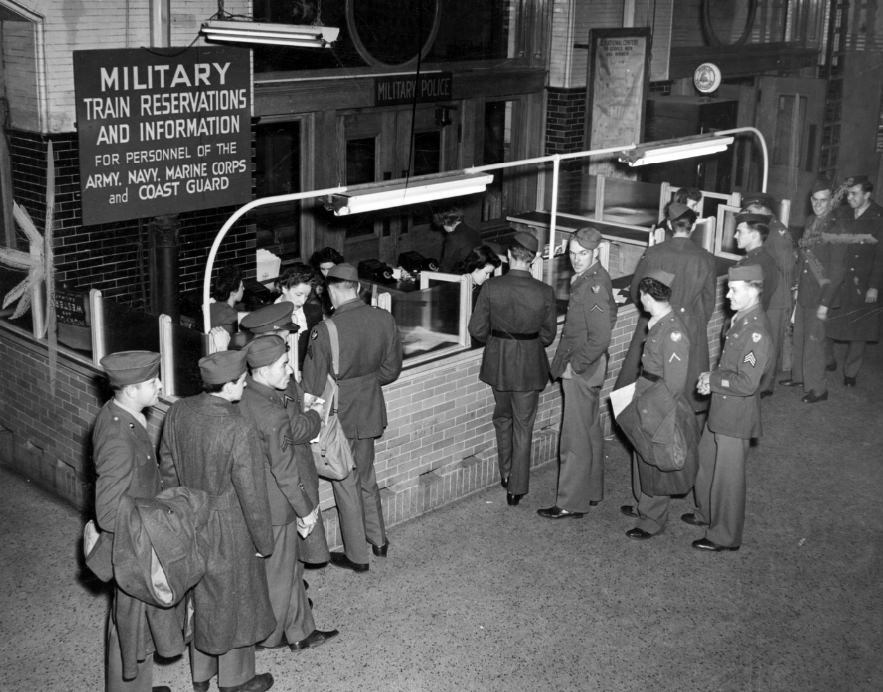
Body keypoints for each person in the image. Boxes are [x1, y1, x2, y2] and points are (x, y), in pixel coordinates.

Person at [160, 350, 275, 692]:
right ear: (229, 386)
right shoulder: (238, 426)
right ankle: (236, 679)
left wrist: (178, 509)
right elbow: (252, 494)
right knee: (237, 598)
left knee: (203, 595)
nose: (244, 385)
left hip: (189, 515)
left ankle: (200, 675)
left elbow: (167, 465)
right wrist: (262, 542)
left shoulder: (179, 410)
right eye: (242, 381)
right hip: (230, 524)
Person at [238, 335, 339, 653]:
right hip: (277, 504)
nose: (289, 369)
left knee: (290, 567)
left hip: (260, 498)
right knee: (280, 573)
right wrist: (305, 510)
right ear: (264, 369)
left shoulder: (246, 397)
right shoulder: (271, 412)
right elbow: (284, 469)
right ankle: (269, 637)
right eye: (283, 364)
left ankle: (300, 630)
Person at [302, 263, 403, 571]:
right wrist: (366, 384)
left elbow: (312, 388)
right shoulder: (384, 318)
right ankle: (379, 540)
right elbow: (391, 370)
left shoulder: (324, 331)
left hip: (338, 415)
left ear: (331, 292)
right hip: (369, 408)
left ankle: (358, 557)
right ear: (357, 288)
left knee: (344, 481)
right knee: (366, 477)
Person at [93, 350, 183, 692]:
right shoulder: (118, 437)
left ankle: (137, 686)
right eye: (152, 382)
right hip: (131, 546)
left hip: (136, 540)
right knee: (128, 624)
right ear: (130, 388)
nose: (159, 385)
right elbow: (107, 511)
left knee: (134, 623)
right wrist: (150, 524)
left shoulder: (124, 414)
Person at [684, 264, 772, 552]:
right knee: (706, 462)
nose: (728, 296)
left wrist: (714, 379)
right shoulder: (741, 319)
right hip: (721, 408)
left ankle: (725, 535)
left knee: (728, 478)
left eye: (734, 290)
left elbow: (747, 382)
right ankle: (707, 514)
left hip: (736, 415)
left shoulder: (756, 331)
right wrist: (714, 383)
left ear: (753, 288)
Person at [467, 231, 557, 506]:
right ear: (534, 259)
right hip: (530, 365)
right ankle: (516, 487)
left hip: (499, 362)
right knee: (524, 425)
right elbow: (548, 335)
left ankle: (505, 472)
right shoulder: (545, 292)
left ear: (508, 256)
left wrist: (497, 342)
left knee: (502, 418)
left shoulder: (492, 288)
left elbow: (476, 329)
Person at [240, 303, 332, 568]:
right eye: (284, 332)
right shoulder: (277, 377)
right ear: (273, 333)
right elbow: (293, 430)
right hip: (289, 467)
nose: (288, 337)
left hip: (266, 473)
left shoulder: (249, 369)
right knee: (290, 543)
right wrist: (316, 414)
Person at [538, 227, 617, 519]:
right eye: (572, 253)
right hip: (591, 366)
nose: (576, 259)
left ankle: (571, 502)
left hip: (583, 368)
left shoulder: (592, 286)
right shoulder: (595, 279)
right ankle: (592, 491)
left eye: (582, 253)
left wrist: (577, 365)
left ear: (595, 252)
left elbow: (600, 336)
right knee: (590, 430)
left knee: (574, 438)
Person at [619, 271, 699, 539]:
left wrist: (650, 411)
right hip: (646, 392)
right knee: (641, 453)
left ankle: (653, 519)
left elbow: (674, 384)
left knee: (655, 458)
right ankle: (644, 504)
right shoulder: (659, 321)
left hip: (658, 403)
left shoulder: (673, 332)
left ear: (644, 295)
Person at [616, 202, 717, 412]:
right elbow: (709, 300)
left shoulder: (654, 253)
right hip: (689, 321)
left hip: (654, 319)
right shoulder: (705, 257)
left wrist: (649, 310)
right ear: (694, 225)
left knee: (647, 378)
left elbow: (637, 289)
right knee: (684, 382)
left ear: (670, 226)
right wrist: (696, 320)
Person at [779, 179, 845, 403]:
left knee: (815, 342)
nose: (818, 205)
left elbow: (837, 272)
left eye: (823, 200)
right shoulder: (809, 221)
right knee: (800, 336)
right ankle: (800, 378)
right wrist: (796, 285)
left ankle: (818, 389)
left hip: (820, 295)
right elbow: (804, 258)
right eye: (815, 200)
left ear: (832, 201)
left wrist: (826, 303)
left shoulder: (836, 229)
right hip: (805, 290)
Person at [826, 175, 883, 386]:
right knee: (828, 321)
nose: (849, 198)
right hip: (841, 279)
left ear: (867, 195)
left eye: (854, 194)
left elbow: (881, 255)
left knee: (859, 331)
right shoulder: (842, 213)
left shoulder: (879, 216)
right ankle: (828, 359)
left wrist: (874, 287)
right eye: (848, 193)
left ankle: (851, 372)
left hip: (864, 282)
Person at [741, 192, 795, 391]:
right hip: (768, 293)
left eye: (751, 209)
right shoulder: (765, 227)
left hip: (777, 297)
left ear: (764, 208)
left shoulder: (776, 232)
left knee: (769, 342)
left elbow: (787, 267)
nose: (748, 213)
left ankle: (765, 386)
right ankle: (761, 381)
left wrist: (786, 300)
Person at [733, 213, 780, 393]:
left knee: (744, 374)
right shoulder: (764, 258)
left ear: (754, 235)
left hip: (747, 327)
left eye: (739, 231)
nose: (735, 236)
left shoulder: (753, 264)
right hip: (755, 321)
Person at [274, 263, 324, 369]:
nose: (302, 301)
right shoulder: (266, 317)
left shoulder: (315, 312)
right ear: (284, 288)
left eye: (306, 296)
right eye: (298, 294)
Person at [437, 207, 481, 273]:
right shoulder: (472, 231)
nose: (443, 228)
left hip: (462, 276)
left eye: (442, 225)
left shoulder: (452, 237)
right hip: (477, 270)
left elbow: (446, 265)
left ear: (446, 222)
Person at [309, 247, 345, 315]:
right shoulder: (316, 280)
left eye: (330, 269)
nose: (326, 273)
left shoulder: (345, 278)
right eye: (323, 269)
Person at [210, 265, 245, 334]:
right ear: (233, 292)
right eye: (241, 286)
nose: (244, 288)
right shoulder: (232, 316)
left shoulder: (211, 306)